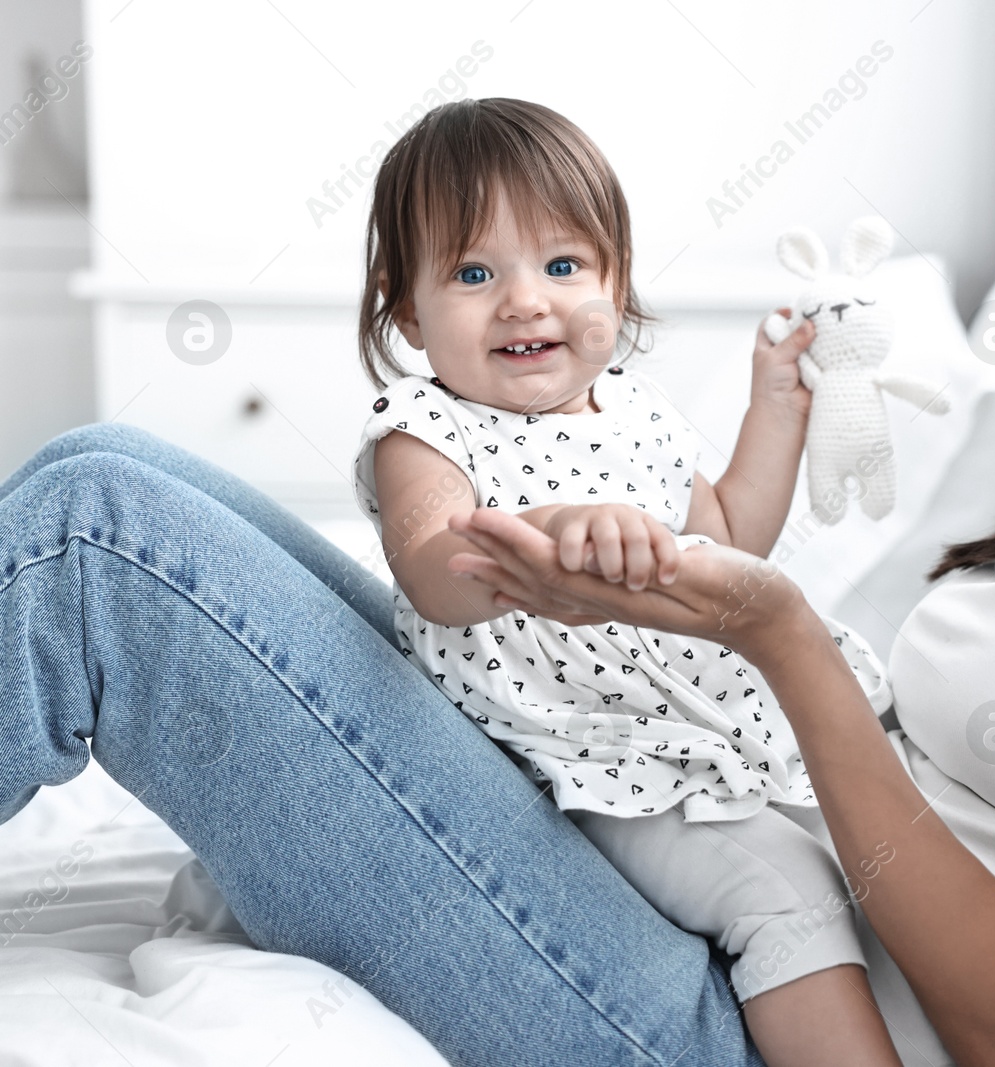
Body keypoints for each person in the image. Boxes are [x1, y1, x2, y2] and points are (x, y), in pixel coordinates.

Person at [0, 0, 995, 1063]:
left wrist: (776, 633)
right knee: (111, 465)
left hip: (758, 1004)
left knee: (93, 539)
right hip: (710, 861)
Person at [349, 97, 902, 1066]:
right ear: (406, 306)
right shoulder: (423, 428)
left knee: (888, 838)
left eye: (563, 266)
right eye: (475, 273)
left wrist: (775, 403)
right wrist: (550, 532)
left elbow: (729, 536)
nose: (525, 301)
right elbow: (435, 569)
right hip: (593, 759)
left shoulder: (636, 411)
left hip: (714, 720)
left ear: (614, 279)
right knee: (787, 896)